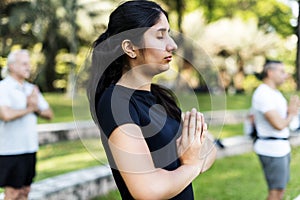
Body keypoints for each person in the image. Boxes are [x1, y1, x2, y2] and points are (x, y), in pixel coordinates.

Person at [87, 1, 216, 199]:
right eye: (160, 35)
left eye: (169, 34)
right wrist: (191, 164)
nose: (172, 45)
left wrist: (192, 160)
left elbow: (209, 148)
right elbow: (148, 189)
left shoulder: (161, 98)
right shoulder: (116, 103)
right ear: (130, 48)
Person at [0, 49, 53, 200]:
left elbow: (49, 113)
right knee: (13, 193)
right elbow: (6, 114)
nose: (28, 67)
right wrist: (30, 108)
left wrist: (35, 107)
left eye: (28, 64)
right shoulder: (3, 87)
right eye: (24, 64)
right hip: (10, 151)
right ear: (11, 66)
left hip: (30, 149)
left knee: (25, 191)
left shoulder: (31, 89)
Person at [251, 60, 299, 200]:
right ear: (270, 73)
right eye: (282, 71)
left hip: (281, 148)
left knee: (280, 191)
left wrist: (293, 111)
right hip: (271, 149)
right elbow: (279, 124)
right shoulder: (263, 94)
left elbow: (288, 122)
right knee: (275, 193)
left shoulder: (275, 93)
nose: (285, 75)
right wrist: (291, 113)